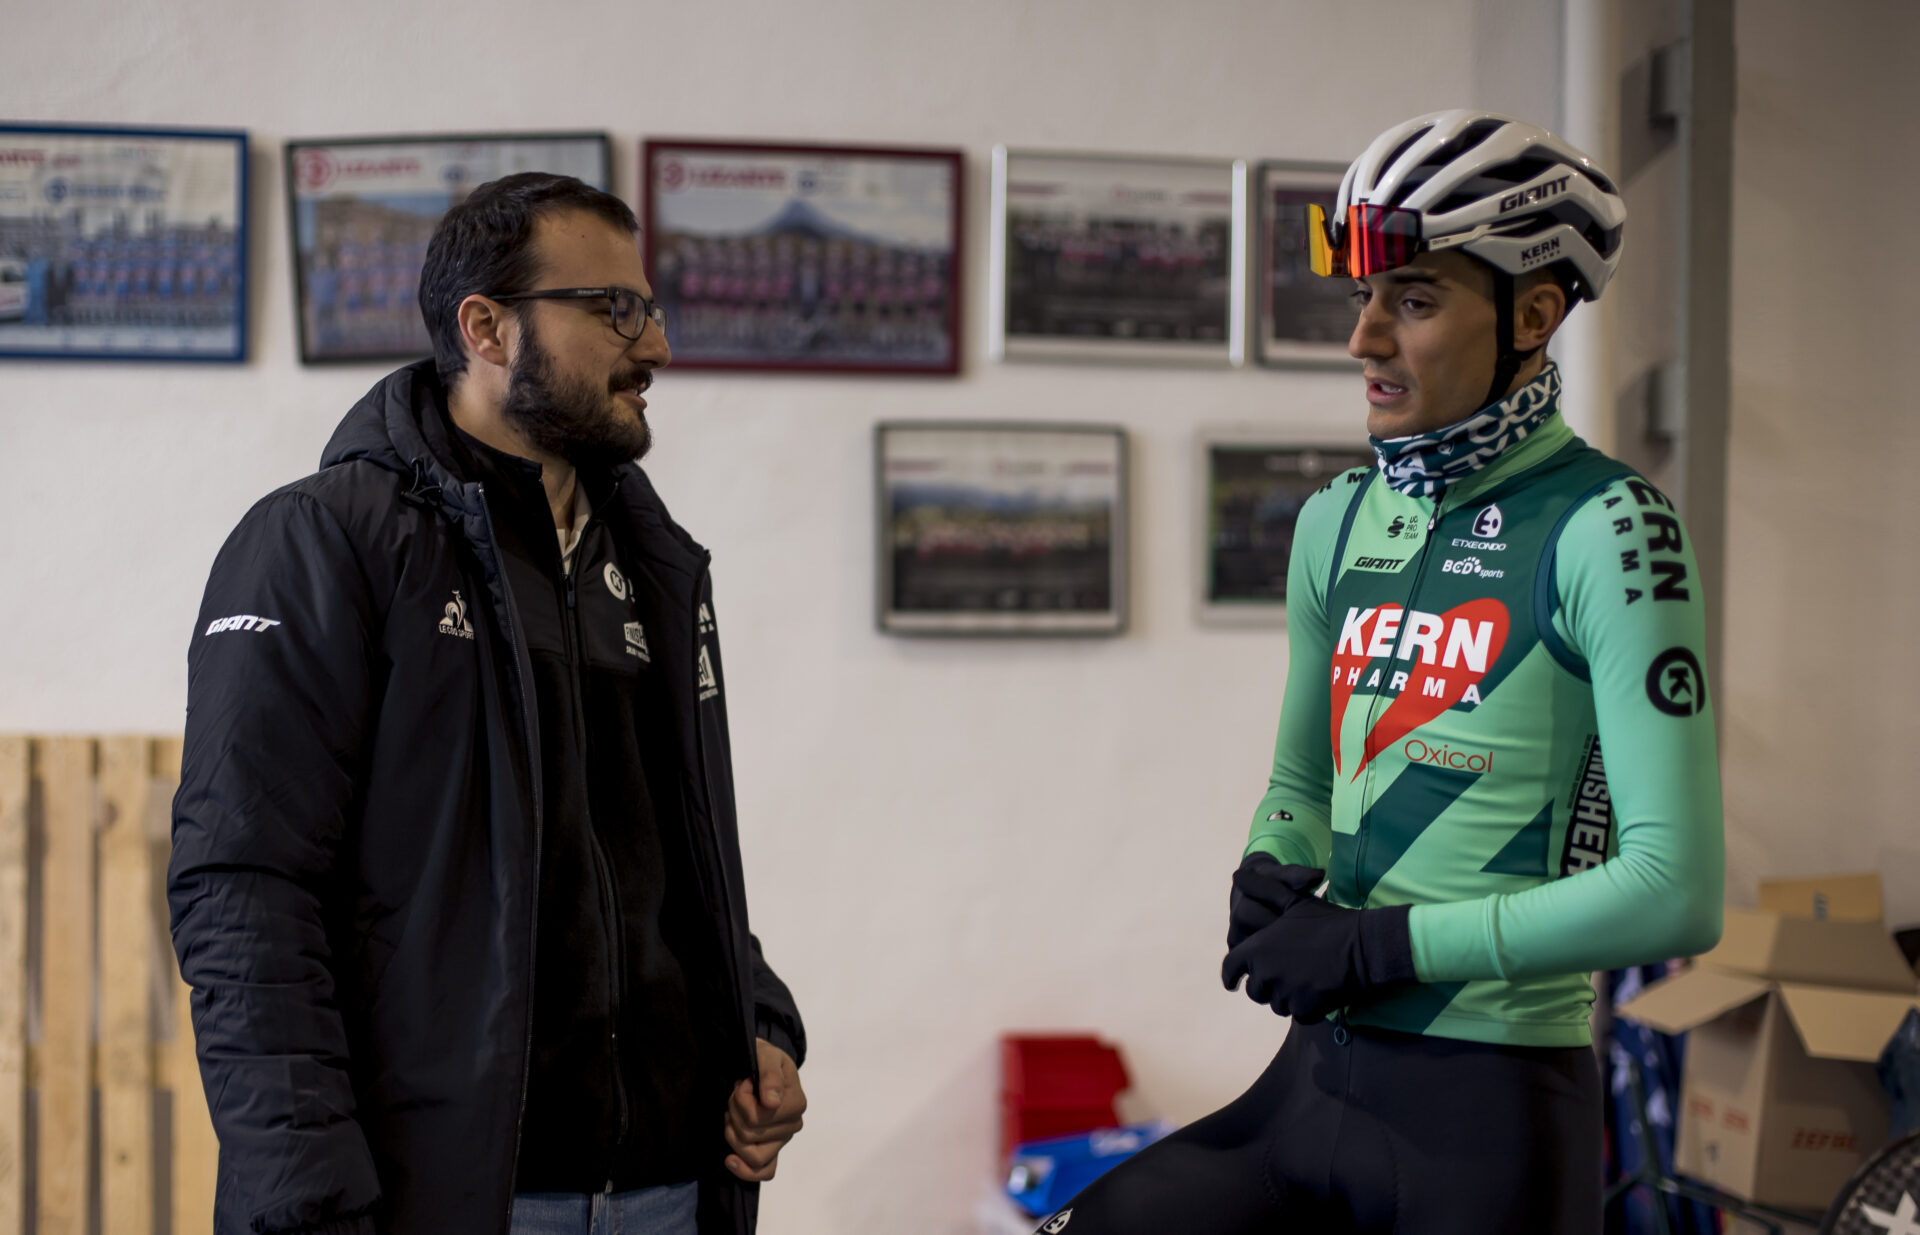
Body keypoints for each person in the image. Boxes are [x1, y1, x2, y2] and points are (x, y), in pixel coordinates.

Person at [1033, 110, 1723, 1234]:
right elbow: (1304, 780)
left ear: (1533, 315)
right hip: (1311, 1085)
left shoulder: (1609, 526)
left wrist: (1377, 943)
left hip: (1487, 1119)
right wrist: (1273, 856)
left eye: (1413, 299)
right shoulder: (1338, 519)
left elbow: (1674, 887)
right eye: (1363, 297)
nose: (1362, 338)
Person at [169, 173, 807, 1235]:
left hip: (670, 1193)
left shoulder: (653, 563)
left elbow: (669, 867)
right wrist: (307, 1198)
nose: (653, 345)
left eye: (649, 308)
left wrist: (763, 1023)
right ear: (487, 328)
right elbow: (244, 891)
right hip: (443, 1197)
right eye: (614, 309)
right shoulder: (324, 542)